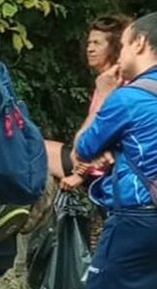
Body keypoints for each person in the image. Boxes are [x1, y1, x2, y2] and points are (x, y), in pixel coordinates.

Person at [50, 12, 157, 289]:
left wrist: (109, 95)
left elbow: (83, 150)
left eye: (126, 43)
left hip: (139, 220)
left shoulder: (130, 98)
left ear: (139, 44)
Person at [45, 15, 132, 191]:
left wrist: (80, 174)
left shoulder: (120, 82)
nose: (90, 49)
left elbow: (106, 137)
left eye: (97, 43)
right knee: (34, 147)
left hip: (103, 171)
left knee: (35, 151)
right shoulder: (106, 79)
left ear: (114, 46)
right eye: (89, 43)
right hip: (90, 161)